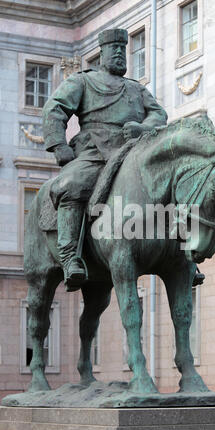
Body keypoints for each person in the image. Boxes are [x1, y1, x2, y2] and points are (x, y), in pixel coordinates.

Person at [42, 29, 168, 291]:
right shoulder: (83, 81)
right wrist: (58, 144)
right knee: (74, 185)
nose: (121, 54)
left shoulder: (136, 88)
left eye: (124, 49)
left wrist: (141, 128)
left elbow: (159, 115)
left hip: (134, 151)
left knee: (172, 181)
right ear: (103, 53)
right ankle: (69, 256)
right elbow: (54, 108)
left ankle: (183, 253)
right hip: (95, 151)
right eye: (115, 49)